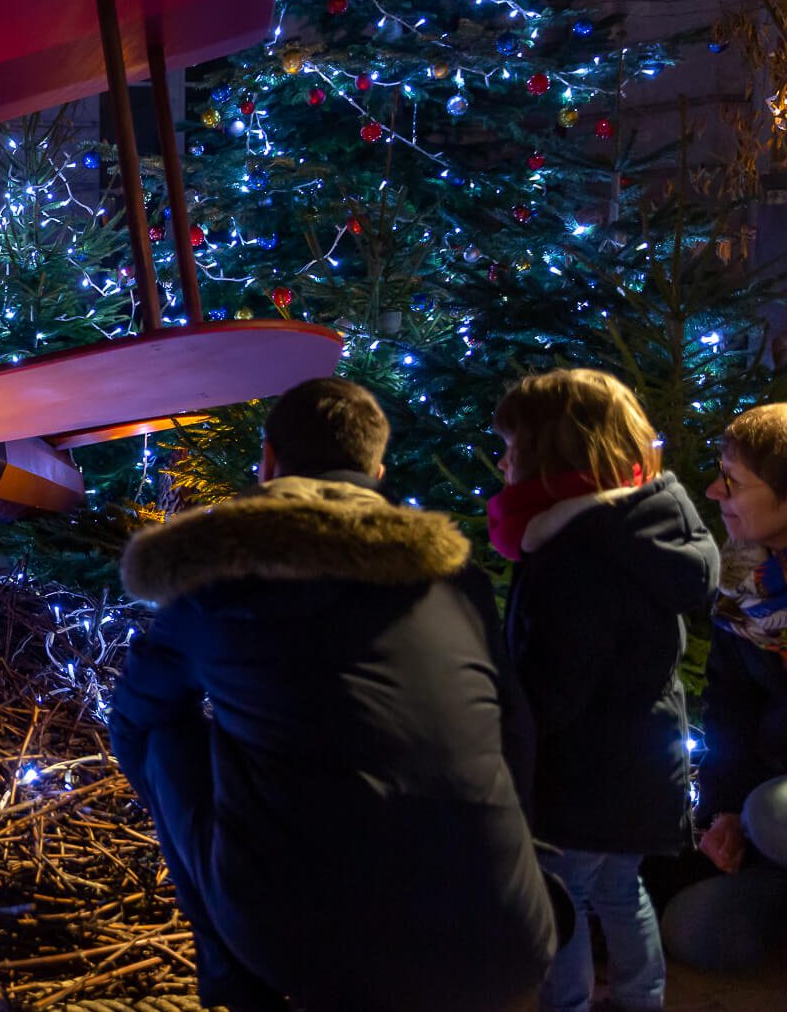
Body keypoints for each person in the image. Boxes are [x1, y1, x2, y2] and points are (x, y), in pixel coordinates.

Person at [110, 377, 557, 1012]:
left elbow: (133, 727)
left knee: (159, 734)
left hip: (313, 948)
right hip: (502, 935)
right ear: (375, 469)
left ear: (268, 460)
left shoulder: (218, 579)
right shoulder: (454, 577)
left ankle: (236, 981)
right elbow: (515, 731)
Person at [488, 368, 719, 1012]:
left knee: (562, 895)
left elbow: (558, 682)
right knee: (620, 888)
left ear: (545, 454)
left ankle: (569, 1005)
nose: (502, 460)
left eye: (511, 446)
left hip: (583, 773)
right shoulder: (647, 527)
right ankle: (644, 997)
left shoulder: (574, 552)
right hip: (645, 762)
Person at [660, 403, 787, 970]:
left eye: (733, 481)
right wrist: (724, 815)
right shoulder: (745, 576)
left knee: (774, 813)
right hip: (770, 806)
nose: (714, 491)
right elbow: (730, 706)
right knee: (697, 931)